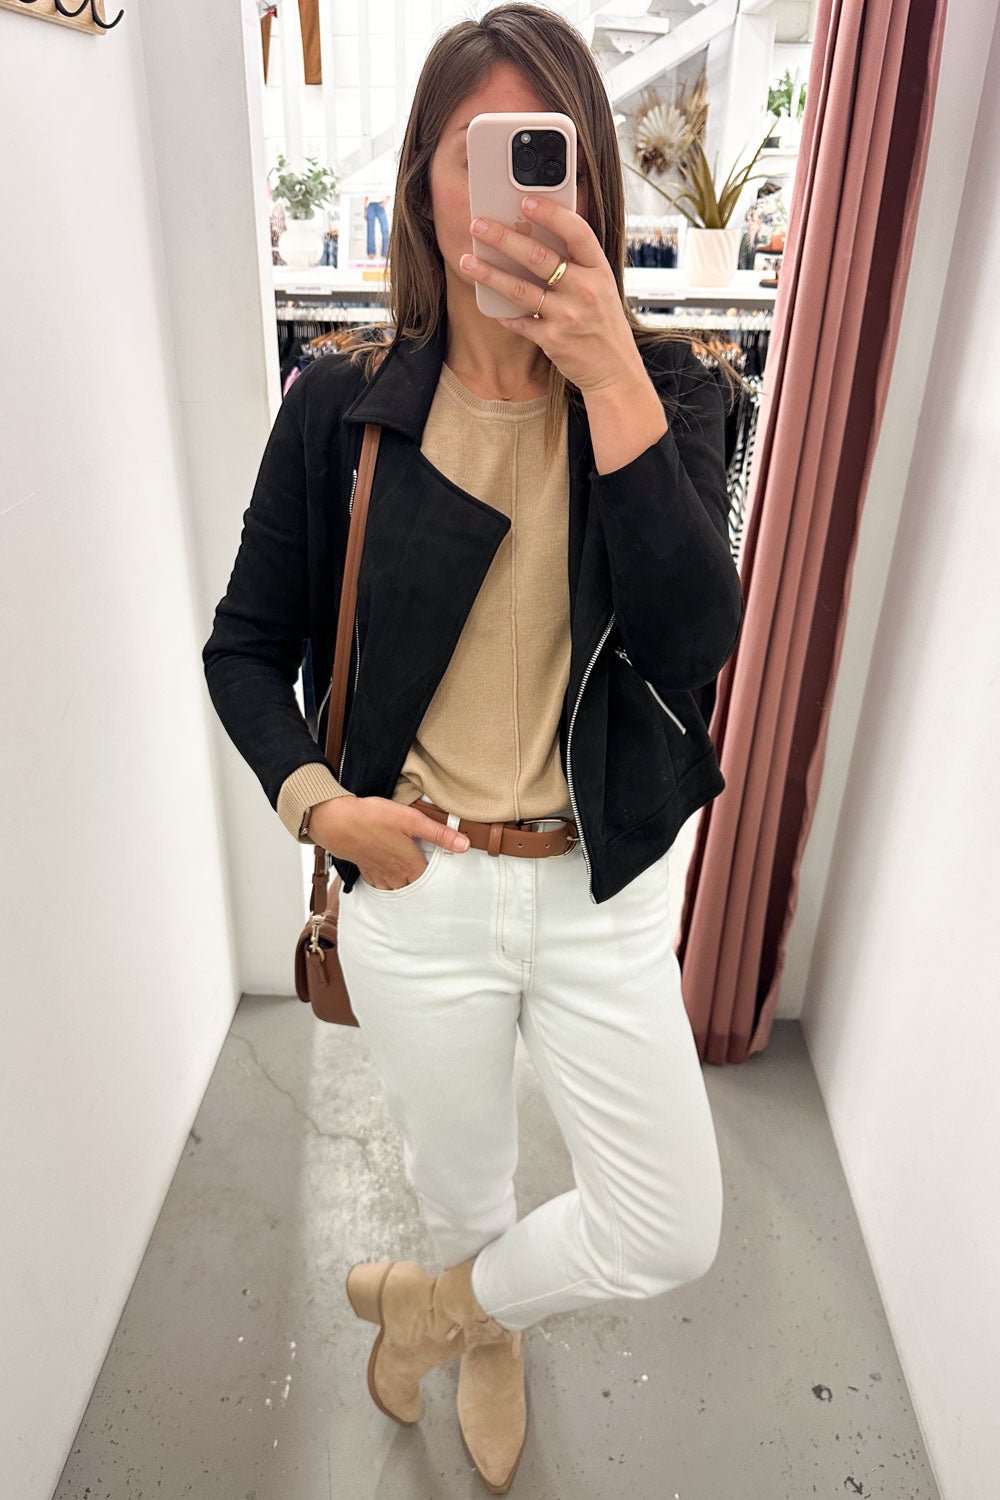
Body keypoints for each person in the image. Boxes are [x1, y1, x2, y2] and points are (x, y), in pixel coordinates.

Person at [202, 4, 745, 1492]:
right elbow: (244, 648)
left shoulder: (675, 392)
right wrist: (324, 812)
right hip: (419, 884)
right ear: (426, 183)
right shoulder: (339, 409)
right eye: (471, 150)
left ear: (587, 178)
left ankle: (440, 1314)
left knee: (668, 1222)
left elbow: (692, 642)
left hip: (603, 883)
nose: (503, 185)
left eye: (539, 150)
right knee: (462, 1183)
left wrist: (613, 379)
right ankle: (482, 1323)